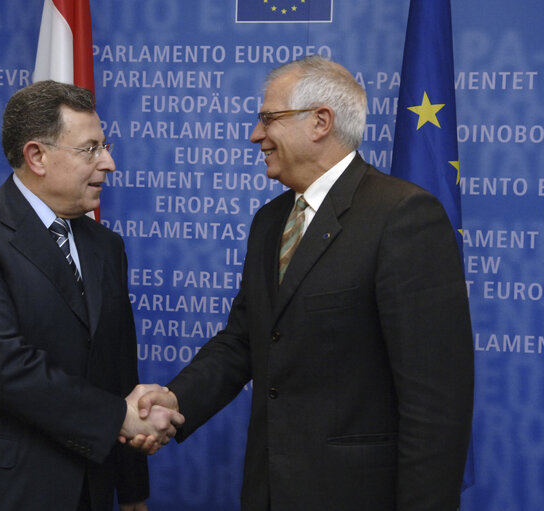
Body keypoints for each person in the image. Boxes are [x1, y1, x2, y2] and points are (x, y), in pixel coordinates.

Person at [134, 56, 474, 510]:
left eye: (268, 119)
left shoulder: (402, 216)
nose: (256, 135)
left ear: (320, 121)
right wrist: (174, 400)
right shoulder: (270, 221)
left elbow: (435, 403)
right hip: (270, 490)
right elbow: (242, 342)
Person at [0, 80, 183, 511]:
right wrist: (117, 417)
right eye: (90, 149)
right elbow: (3, 365)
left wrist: (132, 494)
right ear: (37, 156)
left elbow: (118, 370)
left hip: (86, 488)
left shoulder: (106, 246)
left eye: (105, 146)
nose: (109, 162)